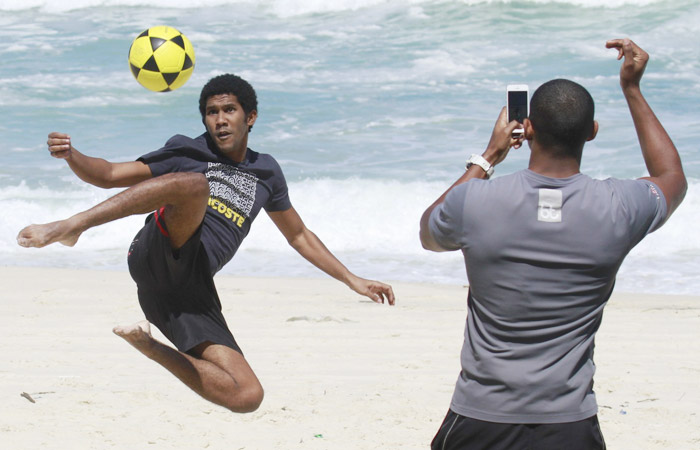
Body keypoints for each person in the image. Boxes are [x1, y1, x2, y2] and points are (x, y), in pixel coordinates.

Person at [17, 73, 395, 413]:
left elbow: (298, 234)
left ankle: (149, 345)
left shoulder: (267, 171)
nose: (220, 119)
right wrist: (72, 155)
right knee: (194, 184)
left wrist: (351, 279)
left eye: (229, 110)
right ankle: (72, 227)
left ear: (250, 117)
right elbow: (112, 174)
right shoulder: (188, 152)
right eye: (212, 112)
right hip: (157, 254)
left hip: (188, 290)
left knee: (247, 395)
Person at [419, 38, 686, 449]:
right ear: (592, 132)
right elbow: (671, 177)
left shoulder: (475, 202)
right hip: (569, 423)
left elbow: (428, 233)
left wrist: (489, 156)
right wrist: (632, 90)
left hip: (480, 416)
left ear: (526, 130)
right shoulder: (620, 206)